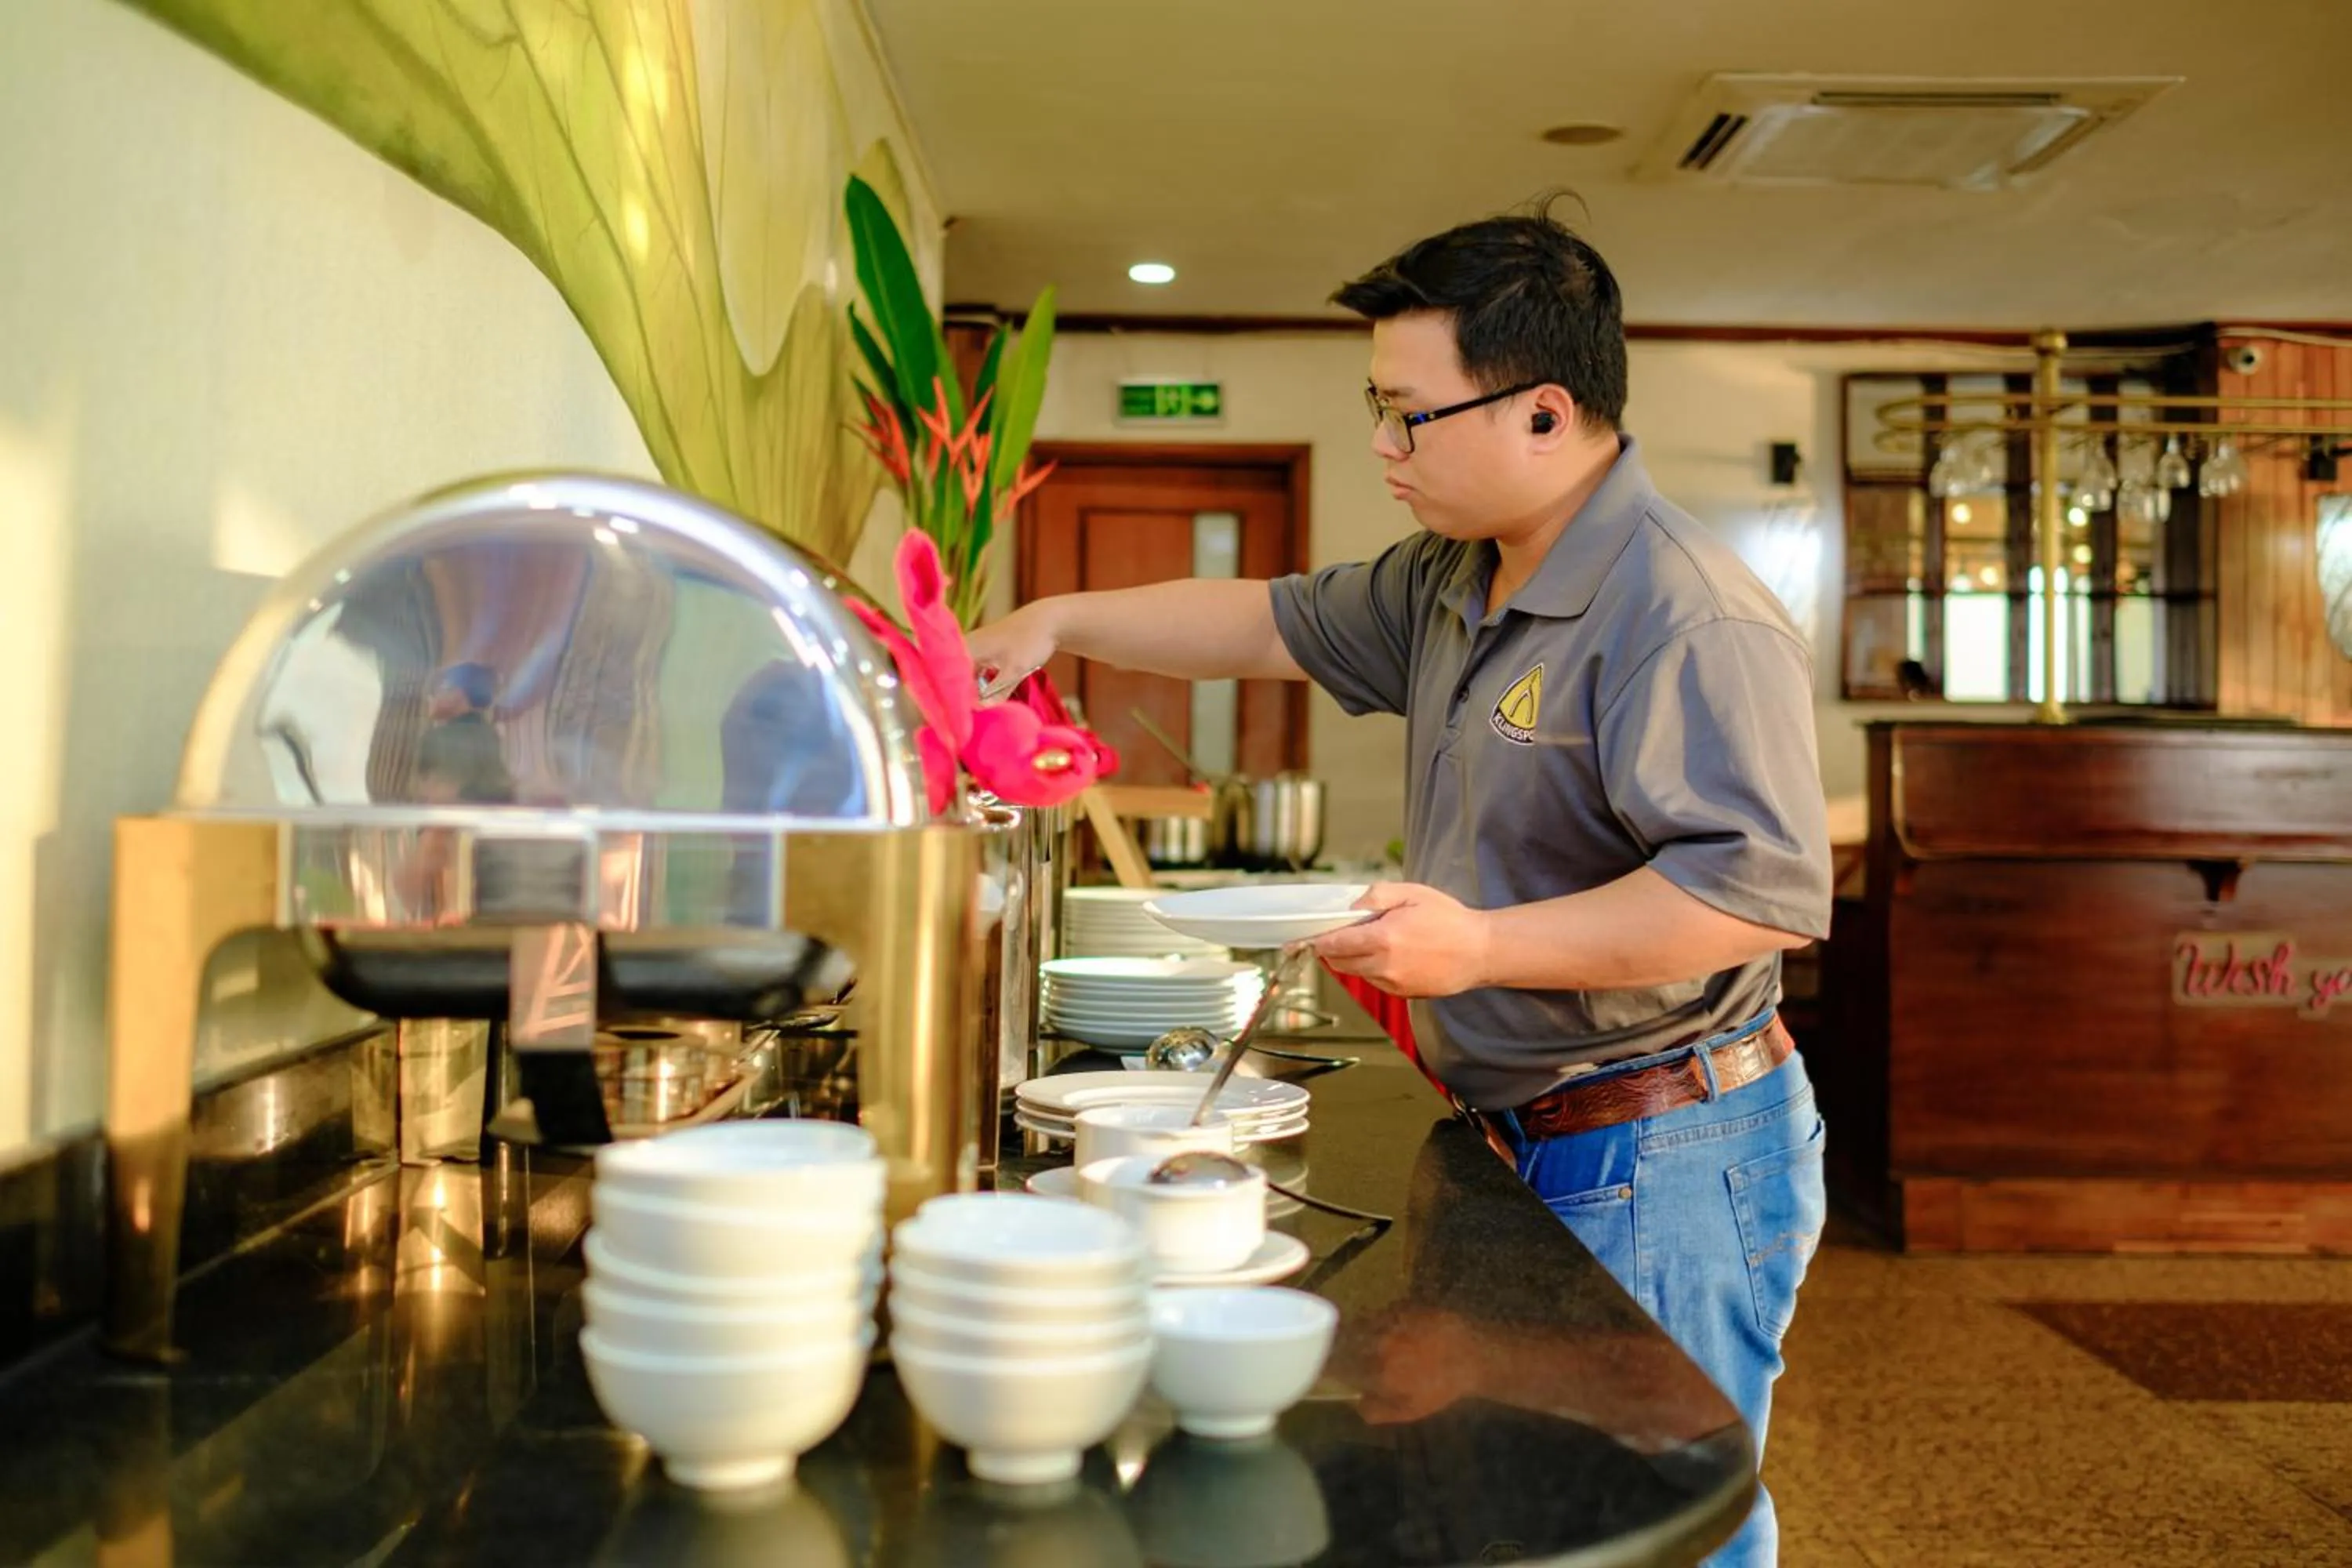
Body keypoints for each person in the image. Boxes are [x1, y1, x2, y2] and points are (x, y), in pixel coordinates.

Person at [969, 200, 1831, 1567]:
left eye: (1407, 415)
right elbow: (1265, 618)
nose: (1382, 447)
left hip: (1667, 1143)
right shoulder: (1454, 576)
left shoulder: (1684, 612)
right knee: (1514, 1495)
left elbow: (1755, 897)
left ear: (1545, 414)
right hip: (1526, 1120)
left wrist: (1479, 945)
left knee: (1654, 1515)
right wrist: (1057, 621)